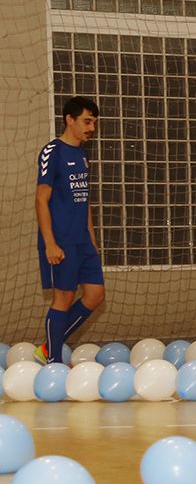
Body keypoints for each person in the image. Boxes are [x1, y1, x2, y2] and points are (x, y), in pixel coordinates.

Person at [36, 96, 103, 364]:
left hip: (82, 240)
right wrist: (50, 243)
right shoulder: (52, 152)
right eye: (87, 122)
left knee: (95, 295)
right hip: (61, 240)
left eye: (94, 122)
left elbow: (84, 200)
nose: (91, 128)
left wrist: (92, 239)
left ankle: (49, 345)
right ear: (69, 120)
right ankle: (53, 361)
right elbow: (41, 199)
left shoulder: (83, 155)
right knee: (63, 297)